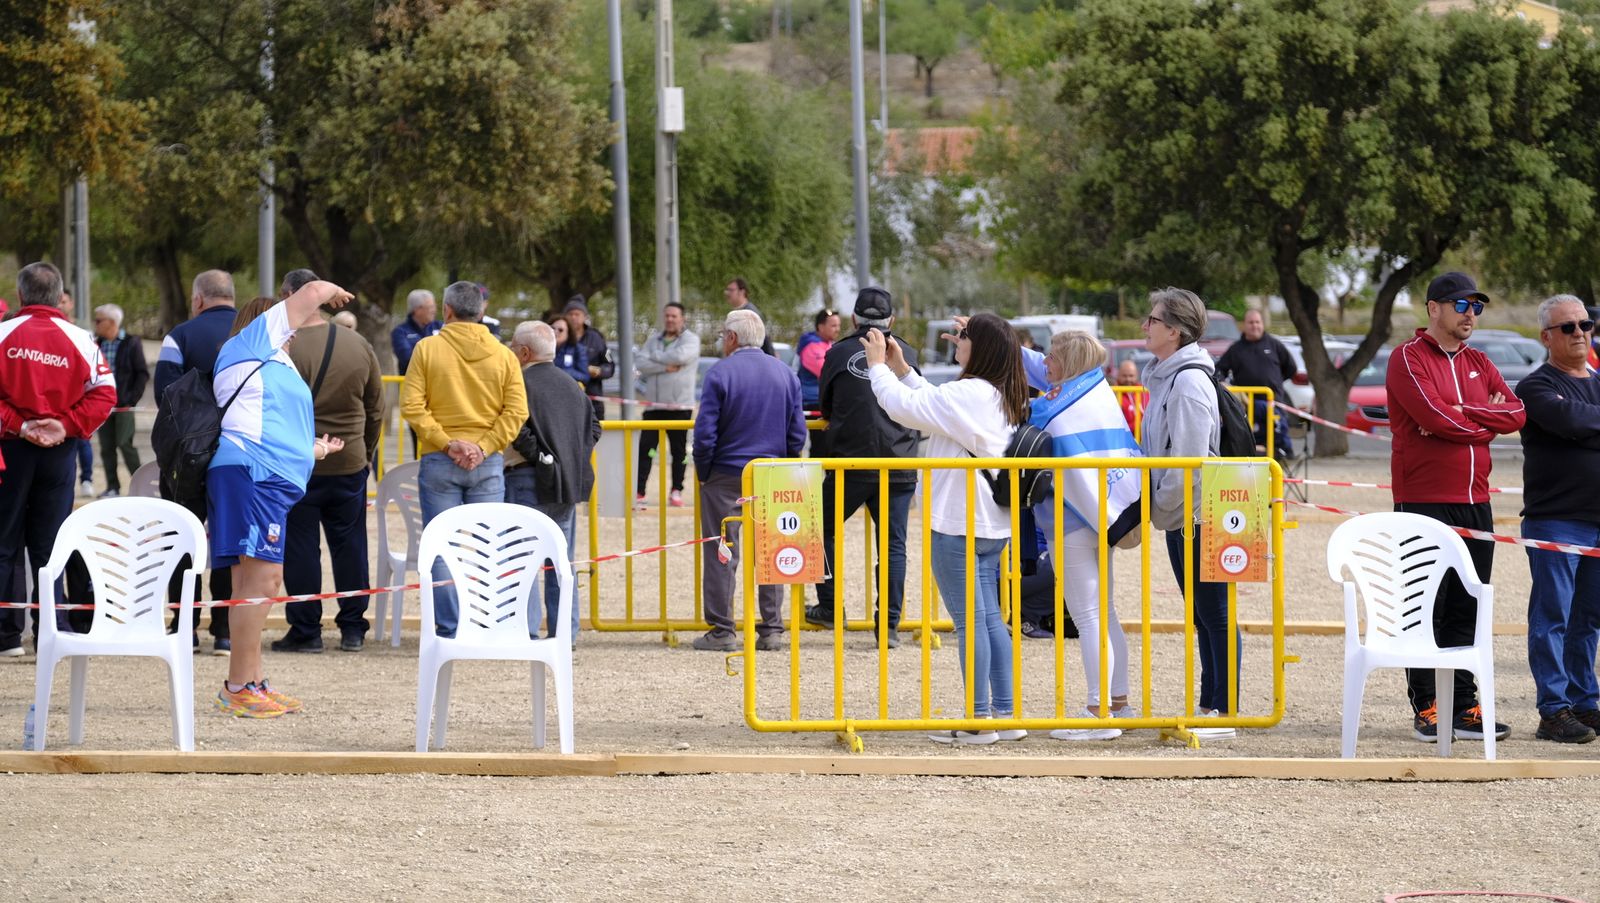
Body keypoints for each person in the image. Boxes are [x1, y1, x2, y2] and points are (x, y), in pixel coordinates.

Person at [865, 312, 1027, 746]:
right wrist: (902, 369)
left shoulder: (969, 393)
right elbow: (935, 404)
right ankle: (1005, 713)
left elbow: (904, 408)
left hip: (958, 522)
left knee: (970, 624)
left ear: (981, 348)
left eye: (964, 336)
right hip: (990, 522)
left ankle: (978, 720)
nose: (956, 340)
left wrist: (878, 366)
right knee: (989, 620)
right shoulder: (1000, 392)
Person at [1385, 271, 1524, 744]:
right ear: (1434, 308)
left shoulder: (1480, 361)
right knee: (1425, 606)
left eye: (1476, 306)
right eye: (1461, 304)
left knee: (1468, 605)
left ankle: (1464, 706)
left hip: (1476, 501)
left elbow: (1517, 413)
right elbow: (1433, 417)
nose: (1470, 314)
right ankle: (1427, 707)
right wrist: (1481, 422)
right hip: (1424, 501)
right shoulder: (1408, 357)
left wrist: (1466, 414)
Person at [207, 281, 353, 717]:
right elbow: (310, 291)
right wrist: (328, 290)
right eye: (288, 321)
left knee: (252, 584)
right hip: (253, 474)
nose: (296, 327)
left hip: (265, 476)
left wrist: (318, 449)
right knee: (263, 582)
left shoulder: (273, 360)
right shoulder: (252, 343)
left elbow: (273, 425)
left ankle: (251, 682)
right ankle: (238, 687)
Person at [1028, 331, 1144, 741]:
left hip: (1071, 520)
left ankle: (1097, 712)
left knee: (1088, 616)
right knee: (1104, 612)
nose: (1045, 363)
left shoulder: (1054, 408)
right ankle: (1119, 703)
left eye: (1051, 356)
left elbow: (1027, 419)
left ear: (1068, 361)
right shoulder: (1094, 390)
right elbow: (1039, 373)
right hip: (1103, 514)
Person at [0, 262, 116, 656]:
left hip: (9, 450)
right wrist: (65, 425)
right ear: (59, 297)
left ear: (20, 295)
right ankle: (50, 630)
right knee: (50, 544)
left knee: (5, 540)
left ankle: (6, 635)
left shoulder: (4, 334)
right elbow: (106, 394)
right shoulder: (82, 339)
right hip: (59, 451)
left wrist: (20, 425)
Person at [401, 281, 528, 638]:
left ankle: (449, 627)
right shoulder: (503, 354)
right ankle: (484, 623)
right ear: (482, 311)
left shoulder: (427, 349)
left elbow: (412, 406)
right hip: (487, 462)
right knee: (488, 547)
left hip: (439, 459)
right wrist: (484, 447)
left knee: (442, 545)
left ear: (447, 310)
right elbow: (516, 411)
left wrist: (446, 443)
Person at [1140, 287, 1238, 740]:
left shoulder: (1188, 383)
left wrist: (1158, 505)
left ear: (1175, 332)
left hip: (1201, 514)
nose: (1145, 326)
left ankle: (1226, 708)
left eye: (1153, 320)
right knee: (1202, 613)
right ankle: (1211, 703)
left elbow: (1191, 462)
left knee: (1215, 613)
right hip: (1184, 515)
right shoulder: (1168, 377)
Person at [272, 280, 385, 655]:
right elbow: (375, 407)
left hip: (299, 461)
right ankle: (353, 628)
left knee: (301, 549)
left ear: (289, 295)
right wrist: (365, 452)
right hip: (349, 459)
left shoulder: (282, 345)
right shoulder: (358, 343)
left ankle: (306, 630)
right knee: (351, 545)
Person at [803, 287, 919, 648]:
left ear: (853, 319)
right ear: (892, 320)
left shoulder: (837, 353)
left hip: (850, 462)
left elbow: (825, 405)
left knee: (817, 527)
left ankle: (829, 605)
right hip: (898, 462)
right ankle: (889, 626)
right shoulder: (908, 353)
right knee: (893, 545)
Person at [1512, 294, 1600, 743]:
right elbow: (1569, 420)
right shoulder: (1535, 387)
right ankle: (1553, 710)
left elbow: (1583, 424)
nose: (1580, 332)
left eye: (1586, 324)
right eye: (1568, 327)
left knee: (1588, 621)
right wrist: (1585, 426)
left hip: (1596, 522)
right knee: (1552, 618)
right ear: (1547, 337)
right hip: (1556, 521)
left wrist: (1587, 426)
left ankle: (1585, 703)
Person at [690, 309, 805, 652]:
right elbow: (797, 433)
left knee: (722, 551)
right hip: (772, 473)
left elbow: (705, 435)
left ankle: (722, 629)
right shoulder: (786, 374)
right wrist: (787, 466)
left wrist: (704, 472)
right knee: (772, 550)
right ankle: (771, 628)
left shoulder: (719, 374)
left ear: (732, 337)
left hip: (726, 473)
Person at [153, 269, 241, 654]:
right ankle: (224, 630)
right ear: (232, 296)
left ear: (199, 299)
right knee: (226, 541)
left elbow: (164, 393)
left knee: (181, 538)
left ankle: (183, 625)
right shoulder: (250, 333)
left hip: (187, 458)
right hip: (236, 455)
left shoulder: (180, 335)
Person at [506, 321, 600, 644]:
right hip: (566, 482)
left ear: (524, 352)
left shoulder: (519, 382)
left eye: (512, 347)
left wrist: (539, 455)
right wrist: (569, 455)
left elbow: (515, 428)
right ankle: (564, 633)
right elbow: (594, 428)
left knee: (522, 559)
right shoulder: (573, 385)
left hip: (526, 477)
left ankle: (526, 631)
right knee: (560, 560)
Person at [634, 301, 699, 508]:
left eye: (674, 316)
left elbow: (681, 356)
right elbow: (640, 362)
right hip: (654, 406)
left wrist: (655, 359)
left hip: (680, 407)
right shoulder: (653, 340)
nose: (670, 319)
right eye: (667, 315)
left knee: (678, 452)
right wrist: (664, 366)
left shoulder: (691, 339)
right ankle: (640, 491)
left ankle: (676, 490)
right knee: (646, 449)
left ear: (682, 318)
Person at [1215, 309, 1295, 459]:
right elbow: (1219, 370)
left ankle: (1283, 454)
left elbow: (1291, 368)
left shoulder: (1274, 345)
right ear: (1244, 325)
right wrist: (1223, 384)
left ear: (1262, 324)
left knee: (1278, 442)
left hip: (1273, 404)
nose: (1254, 326)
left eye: (1257, 322)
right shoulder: (1236, 349)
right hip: (1247, 406)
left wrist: (1276, 382)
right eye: (1251, 322)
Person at [91, 303, 149, 497]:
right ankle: (113, 487)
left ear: (112, 322)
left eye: (99, 320)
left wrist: (131, 399)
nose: (96, 324)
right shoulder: (96, 344)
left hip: (124, 405)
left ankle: (141, 485)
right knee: (106, 447)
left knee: (125, 443)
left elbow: (142, 373)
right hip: (103, 406)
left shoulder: (131, 342)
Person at [563, 295, 613, 423]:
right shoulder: (560, 336)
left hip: (592, 399)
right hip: (565, 399)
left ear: (585, 317)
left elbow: (610, 366)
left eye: (577, 314)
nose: (573, 317)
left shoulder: (596, 338)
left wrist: (599, 371)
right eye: (570, 314)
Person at [795, 308, 840, 410]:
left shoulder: (829, 343)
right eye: (833, 326)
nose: (838, 329)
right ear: (821, 327)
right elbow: (827, 372)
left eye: (838, 325)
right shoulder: (811, 346)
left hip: (821, 398)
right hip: (811, 401)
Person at [391, 289, 440, 375]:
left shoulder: (441, 326)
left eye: (434, 306)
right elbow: (408, 359)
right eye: (430, 307)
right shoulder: (400, 332)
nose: (434, 310)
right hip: (413, 381)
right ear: (417, 310)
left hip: (438, 381)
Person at [723, 277, 776, 356]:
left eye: (731, 290)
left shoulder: (750, 315)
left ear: (742, 291)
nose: (727, 293)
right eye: (727, 290)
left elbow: (761, 341)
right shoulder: (737, 313)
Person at [551, 316, 589, 384]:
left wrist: (562, 372)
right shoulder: (542, 348)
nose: (555, 331)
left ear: (568, 333)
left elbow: (585, 377)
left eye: (560, 330)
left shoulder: (578, 349)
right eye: (552, 328)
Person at [1114, 359, 1148, 433]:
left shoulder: (1145, 391)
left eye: (1131, 376)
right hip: (1125, 437)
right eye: (1124, 376)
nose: (1128, 379)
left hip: (1145, 437)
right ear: (1118, 375)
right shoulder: (1113, 394)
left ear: (1137, 375)